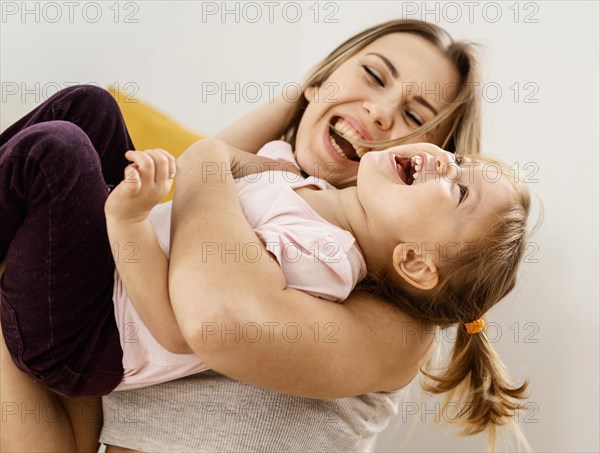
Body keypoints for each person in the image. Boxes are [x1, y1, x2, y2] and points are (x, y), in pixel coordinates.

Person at [0, 19, 521, 453]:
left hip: (81, 355)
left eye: (414, 115)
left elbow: (208, 313)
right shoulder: (291, 182)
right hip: (81, 355)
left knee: (58, 151)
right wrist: (316, 95)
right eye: (370, 74)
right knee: (89, 109)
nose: (382, 111)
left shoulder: (381, 300)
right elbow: (198, 181)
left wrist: (190, 178)